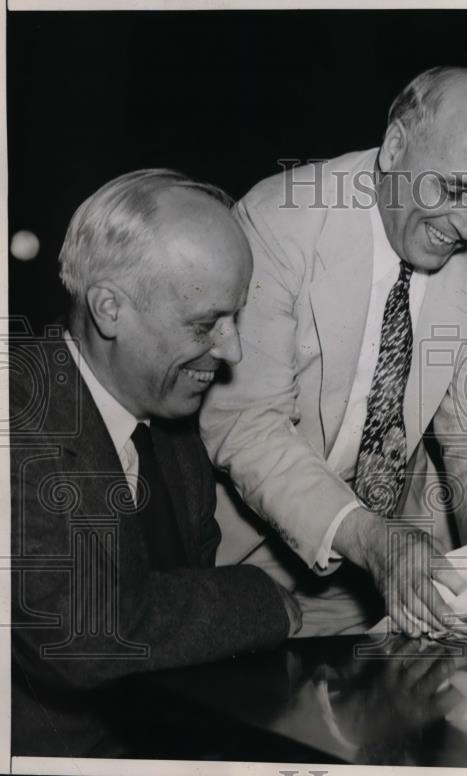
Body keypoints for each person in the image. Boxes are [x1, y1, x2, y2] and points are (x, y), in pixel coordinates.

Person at [199, 66, 467, 637]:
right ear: (396, 146)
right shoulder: (279, 221)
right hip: (255, 565)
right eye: (453, 188)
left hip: (404, 567)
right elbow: (247, 426)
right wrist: (370, 539)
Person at [9, 170, 302, 757]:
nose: (232, 351)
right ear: (110, 308)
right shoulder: (18, 415)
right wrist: (265, 598)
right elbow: (84, 631)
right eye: (204, 324)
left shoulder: (171, 431)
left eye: (236, 318)